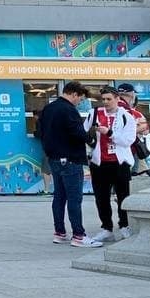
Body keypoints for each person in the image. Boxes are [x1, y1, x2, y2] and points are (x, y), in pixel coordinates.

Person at [35, 81, 102, 247]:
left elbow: (41, 132)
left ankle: (59, 232)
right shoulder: (69, 110)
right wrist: (91, 139)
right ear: (74, 94)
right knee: (74, 198)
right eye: (80, 99)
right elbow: (77, 133)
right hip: (71, 159)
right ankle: (79, 235)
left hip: (54, 159)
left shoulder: (48, 108)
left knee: (59, 196)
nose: (79, 102)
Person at [87, 86, 137, 243]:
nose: (106, 102)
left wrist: (110, 133)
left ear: (117, 99)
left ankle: (124, 225)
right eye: (103, 99)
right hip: (99, 162)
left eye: (109, 99)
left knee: (123, 196)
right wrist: (90, 142)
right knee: (101, 198)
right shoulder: (94, 113)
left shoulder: (126, 116)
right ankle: (106, 228)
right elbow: (83, 132)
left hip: (120, 162)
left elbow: (128, 140)